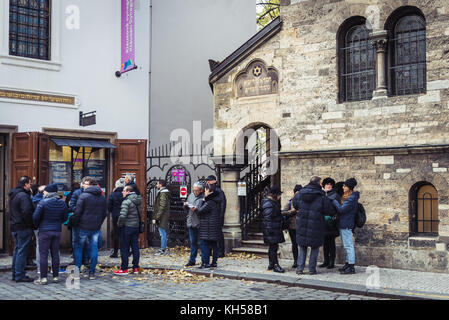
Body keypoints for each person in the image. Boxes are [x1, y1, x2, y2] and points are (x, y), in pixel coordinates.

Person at [293, 176, 333, 275]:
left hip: (302, 224)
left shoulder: (300, 193)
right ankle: (312, 269)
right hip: (316, 225)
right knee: (314, 248)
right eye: (320, 183)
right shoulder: (322, 195)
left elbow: (295, 204)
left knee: (302, 247)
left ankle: (300, 268)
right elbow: (328, 210)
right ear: (318, 184)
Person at [70, 177, 107, 280]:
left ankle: (77, 272)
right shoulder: (102, 197)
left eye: (85, 184)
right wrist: (99, 223)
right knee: (94, 248)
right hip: (95, 227)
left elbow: (77, 212)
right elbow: (104, 213)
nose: (83, 185)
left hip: (82, 226)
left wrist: (74, 222)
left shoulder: (83, 196)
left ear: (91, 185)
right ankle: (92, 273)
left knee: (78, 248)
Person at [32, 184, 69, 285]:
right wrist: (57, 223)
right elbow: (65, 217)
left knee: (43, 254)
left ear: (48, 192)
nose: (43, 192)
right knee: (55, 254)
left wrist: (37, 226)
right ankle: (55, 277)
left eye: (44, 191)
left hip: (44, 231)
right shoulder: (62, 203)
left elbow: (35, 217)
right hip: (57, 231)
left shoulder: (43, 202)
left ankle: (43, 278)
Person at [9, 176, 35, 283]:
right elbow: (26, 212)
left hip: (15, 226)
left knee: (17, 250)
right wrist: (31, 225)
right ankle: (19, 275)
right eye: (29, 184)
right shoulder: (23, 196)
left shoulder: (14, 195)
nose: (30, 186)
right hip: (23, 227)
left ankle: (15, 274)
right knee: (22, 251)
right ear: (25, 185)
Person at [332, 178, 360, 275]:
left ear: (350, 187)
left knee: (348, 245)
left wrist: (334, 201)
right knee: (347, 245)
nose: (343, 187)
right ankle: (348, 264)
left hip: (346, 223)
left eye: (345, 186)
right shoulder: (348, 197)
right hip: (344, 223)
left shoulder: (351, 198)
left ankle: (351, 266)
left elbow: (342, 209)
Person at [114, 185, 143, 275]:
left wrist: (119, 224)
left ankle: (124, 268)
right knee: (135, 248)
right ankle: (135, 268)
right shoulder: (138, 199)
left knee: (124, 248)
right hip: (135, 227)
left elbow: (122, 215)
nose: (122, 192)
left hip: (127, 227)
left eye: (124, 191)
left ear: (128, 192)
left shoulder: (126, 201)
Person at [193, 183, 221, 269]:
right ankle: (214, 262)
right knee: (214, 245)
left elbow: (200, 211)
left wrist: (202, 201)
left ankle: (205, 263)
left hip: (207, 227)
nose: (205, 192)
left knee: (204, 245)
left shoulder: (209, 202)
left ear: (209, 191)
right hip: (214, 227)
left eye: (205, 190)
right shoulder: (216, 200)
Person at [261, 186, 285, 273]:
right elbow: (268, 218)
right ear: (274, 195)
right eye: (279, 195)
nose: (280, 197)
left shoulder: (271, 203)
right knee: (273, 248)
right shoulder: (269, 203)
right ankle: (275, 265)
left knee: (273, 247)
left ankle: (271, 264)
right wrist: (269, 230)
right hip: (272, 229)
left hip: (273, 228)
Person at [320, 177, 341, 269]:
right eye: (327, 184)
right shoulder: (321, 194)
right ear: (324, 185)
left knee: (331, 242)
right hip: (323, 222)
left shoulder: (335, 195)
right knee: (325, 242)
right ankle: (326, 260)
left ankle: (332, 261)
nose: (328, 186)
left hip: (331, 222)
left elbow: (338, 209)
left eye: (330, 184)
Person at [183, 182, 204, 267]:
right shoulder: (190, 196)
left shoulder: (204, 197)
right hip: (191, 221)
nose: (195, 192)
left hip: (200, 222)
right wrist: (185, 206)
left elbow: (204, 210)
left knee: (202, 242)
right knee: (192, 242)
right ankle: (192, 260)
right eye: (194, 190)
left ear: (201, 190)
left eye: (197, 190)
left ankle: (204, 260)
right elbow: (186, 210)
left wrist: (197, 209)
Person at [206, 175, 227, 258]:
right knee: (211, 234)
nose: (208, 182)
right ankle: (211, 251)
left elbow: (222, 204)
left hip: (217, 216)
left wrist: (221, 216)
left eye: (209, 181)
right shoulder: (211, 190)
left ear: (214, 181)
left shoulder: (218, 191)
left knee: (218, 234)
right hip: (212, 216)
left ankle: (221, 251)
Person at [282, 184, 302, 269]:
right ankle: (295, 261)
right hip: (292, 226)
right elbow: (283, 212)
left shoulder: (304, 202)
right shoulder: (290, 202)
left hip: (302, 226)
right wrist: (292, 211)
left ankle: (301, 261)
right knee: (294, 244)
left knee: (302, 245)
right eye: (296, 193)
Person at [108, 178, 126, 258]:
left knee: (116, 234)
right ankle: (125, 252)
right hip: (125, 215)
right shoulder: (126, 193)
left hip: (116, 215)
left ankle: (115, 252)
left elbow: (109, 206)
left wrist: (113, 211)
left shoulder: (113, 194)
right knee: (125, 234)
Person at [153, 179, 170, 255]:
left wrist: (157, 217)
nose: (156, 185)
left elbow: (162, 206)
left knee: (162, 233)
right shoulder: (163, 193)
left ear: (161, 185)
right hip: (163, 215)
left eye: (157, 184)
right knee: (163, 233)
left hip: (162, 216)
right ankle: (163, 248)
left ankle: (162, 249)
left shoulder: (163, 193)